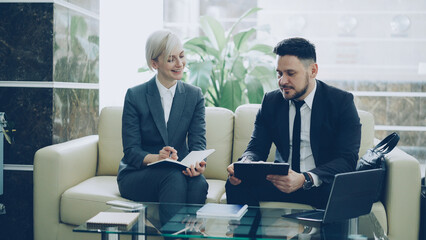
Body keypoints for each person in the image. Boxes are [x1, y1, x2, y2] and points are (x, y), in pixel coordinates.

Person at [225, 37, 361, 209]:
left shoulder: (341, 102)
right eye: (279, 73)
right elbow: (256, 148)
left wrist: (305, 178)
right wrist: (244, 165)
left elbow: (347, 159)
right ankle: (253, 235)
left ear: (313, 71)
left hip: (319, 183)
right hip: (280, 182)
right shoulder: (271, 101)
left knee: (339, 193)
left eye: (290, 73)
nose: (282, 81)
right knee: (235, 184)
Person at [117, 30, 208, 209]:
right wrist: (156, 158)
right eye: (170, 59)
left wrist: (197, 164)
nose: (179, 63)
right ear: (154, 63)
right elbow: (131, 151)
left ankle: (187, 235)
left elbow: (198, 143)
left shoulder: (194, 95)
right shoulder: (135, 96)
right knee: (173, 178)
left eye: (181, 56)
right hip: (139, 173)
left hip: (179, 170)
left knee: (199, 184)